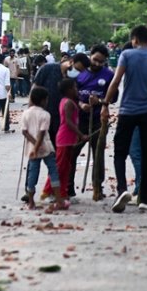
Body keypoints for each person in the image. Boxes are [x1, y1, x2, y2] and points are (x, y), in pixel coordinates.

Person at [102, 25, 147, 213]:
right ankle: (145, 197)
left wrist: (105, 105)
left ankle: (122, 190)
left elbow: (116, 82)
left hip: (127, 111)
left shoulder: (127, 55)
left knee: (120, 152)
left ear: (134, 39)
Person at [68, 46, 113, 199]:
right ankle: (68, 187)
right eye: (95, 60)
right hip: (78, 121)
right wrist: (81, 104)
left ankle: (97, 188)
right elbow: (71, 95)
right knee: (72, 152)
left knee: (98, 154)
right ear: (90, 56)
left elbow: (113, 97)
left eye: (101, 62)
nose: (97, 64)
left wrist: (100, 101)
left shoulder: (108, 75)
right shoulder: (79, 73)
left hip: (98, 121)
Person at [45, 79, 87, 207]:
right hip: (64, 138)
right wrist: (81, 135)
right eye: (74, 87)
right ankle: (49, 191)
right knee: (60, 167)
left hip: (68, 138)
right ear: (69, 90)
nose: (76, 90)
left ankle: (63, 193)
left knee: (66, 168)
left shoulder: (67, 101)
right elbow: (68, 122)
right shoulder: (68, 102)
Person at [21, 86, 60, 210]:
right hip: (46, 148)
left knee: (32, 174)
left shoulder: (26, 113)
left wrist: (34, 146)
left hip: (32, 149)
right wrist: (39, 146)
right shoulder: (45, 115)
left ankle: (31, 201)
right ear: (44, 100)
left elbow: (25, 132)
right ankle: (58, 200)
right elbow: (42, 133)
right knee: (53, 171)